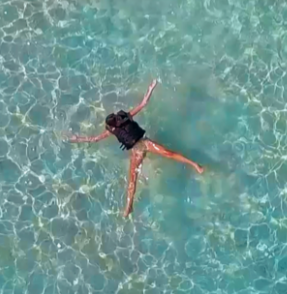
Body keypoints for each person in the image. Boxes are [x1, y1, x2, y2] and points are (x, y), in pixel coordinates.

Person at [69, 80, 204, 217]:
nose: (119, 119)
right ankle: (129, 207)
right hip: (136, 152)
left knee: (169, 153)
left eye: (117, 117)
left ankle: (194, 164)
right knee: (132, 180)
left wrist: (151, 88)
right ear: (114, 125)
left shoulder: (126, 117)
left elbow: (143, 104)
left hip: (145, 143)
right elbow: (95, 138)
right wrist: (79, 139)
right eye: (116, 120)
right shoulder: (111, 130)